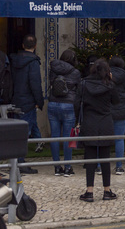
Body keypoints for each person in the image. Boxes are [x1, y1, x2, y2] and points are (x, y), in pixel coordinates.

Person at [76, 58, 119, 202]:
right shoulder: (110, 85)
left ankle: (89, 191)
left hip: (90, 122)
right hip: (105, 122)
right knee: (105, 159)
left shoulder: (84, 84)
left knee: (90, 159)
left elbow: (77, 104)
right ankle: (107, 190)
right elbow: (117, 101)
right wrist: (112, 82)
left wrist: (78, 121)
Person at [10, 34, 44, 175]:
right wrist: (39, 101)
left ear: (23, 45)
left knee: (18, 132)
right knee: (25, 133)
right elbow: (35, 83)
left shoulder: (14, 60)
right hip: (28, 102)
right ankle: (20, 163)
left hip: (16, 99)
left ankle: (16, 161)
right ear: (35, 46)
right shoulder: (33, 62)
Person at [48, 49, 81, 177]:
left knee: (55, 137)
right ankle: (67, 167)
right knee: (68, 137)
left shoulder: (54, 68)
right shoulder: (76, 72)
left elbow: (51, 83)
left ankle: (57, 167)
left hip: (53, 103)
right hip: (68, 104)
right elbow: (78, 90)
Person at [109, 56, 125, 174]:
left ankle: (99, 165)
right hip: (122, 108)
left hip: (108, 109)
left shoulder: (106, 74)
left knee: (104, 138)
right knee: (119, 139)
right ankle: (119, 166)